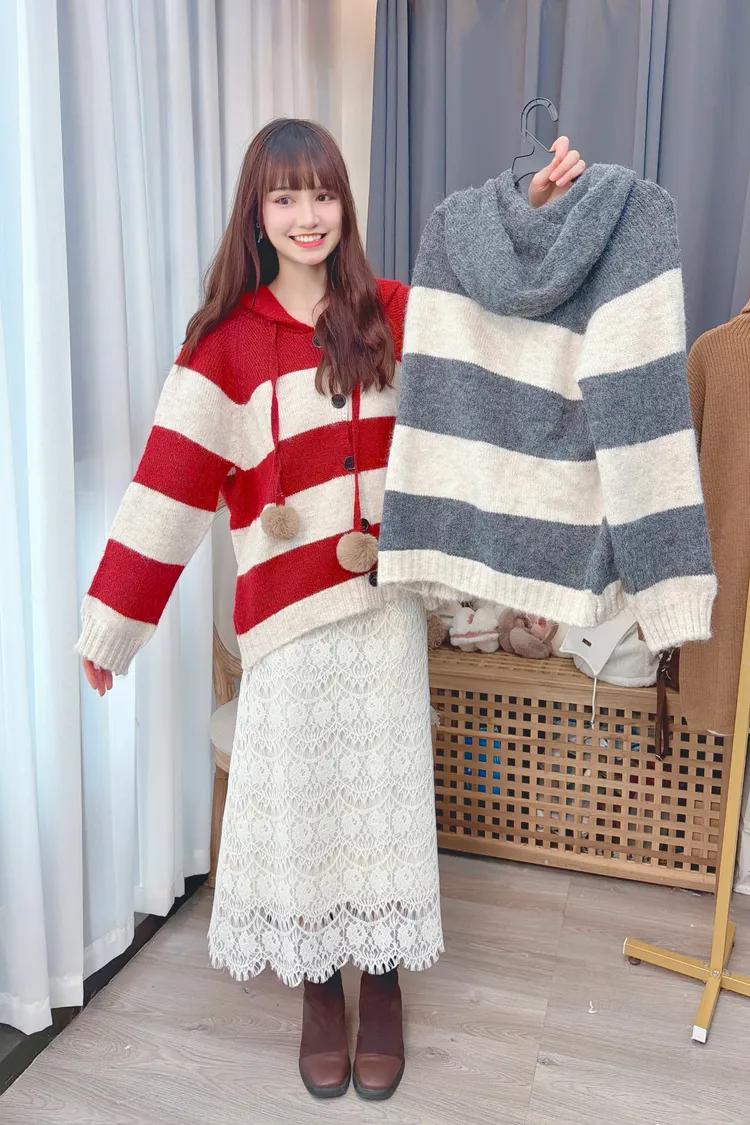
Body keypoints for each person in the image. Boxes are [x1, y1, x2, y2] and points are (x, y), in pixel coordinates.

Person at [77, 118, 585, 1101]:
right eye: (286, 197)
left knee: (382, 802)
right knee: (308, 805)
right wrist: (114, 624)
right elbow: (168, 489)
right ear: (257, 214)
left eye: (322, 194)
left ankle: (381, 981)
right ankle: (319, 987)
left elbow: (492, 318)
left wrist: (529, 220)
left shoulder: (389, 313)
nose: (307, 215)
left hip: (382, 612)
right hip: (285, 626)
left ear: (344, 205)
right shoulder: (222, 344)